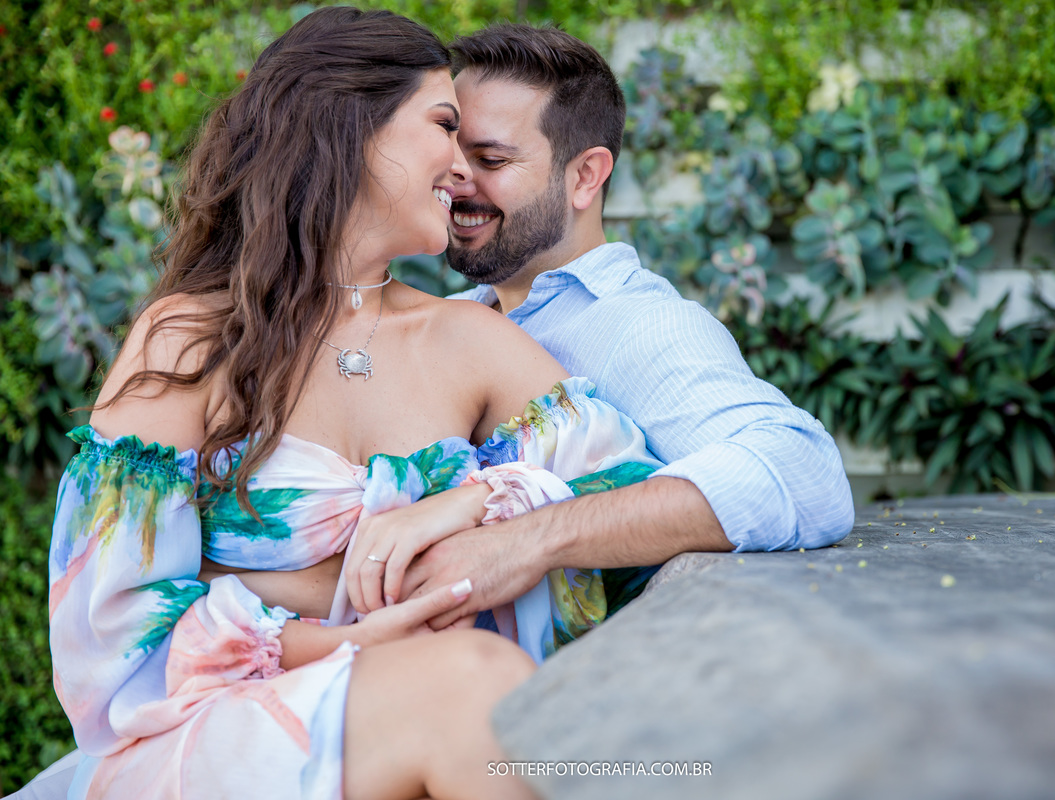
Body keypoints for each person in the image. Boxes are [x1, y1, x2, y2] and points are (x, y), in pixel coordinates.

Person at [46, 8, 664, 800]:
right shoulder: (191, 340)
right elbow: (115, 629)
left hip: (417, 728)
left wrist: (475, 501)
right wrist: (347, 642)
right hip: (217, 732)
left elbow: (635, 506)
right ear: (352, 129)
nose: (463, 165)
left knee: (473, 689)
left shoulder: (470, 341)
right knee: (467, 682)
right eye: (445, 126)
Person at [385, 24, 856, 630]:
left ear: (585, 176)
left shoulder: (639, 324)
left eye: (491, 159)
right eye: (452, 155)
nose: (455, 179)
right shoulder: (459, 317)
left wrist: (529, 540)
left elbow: (803, 471)